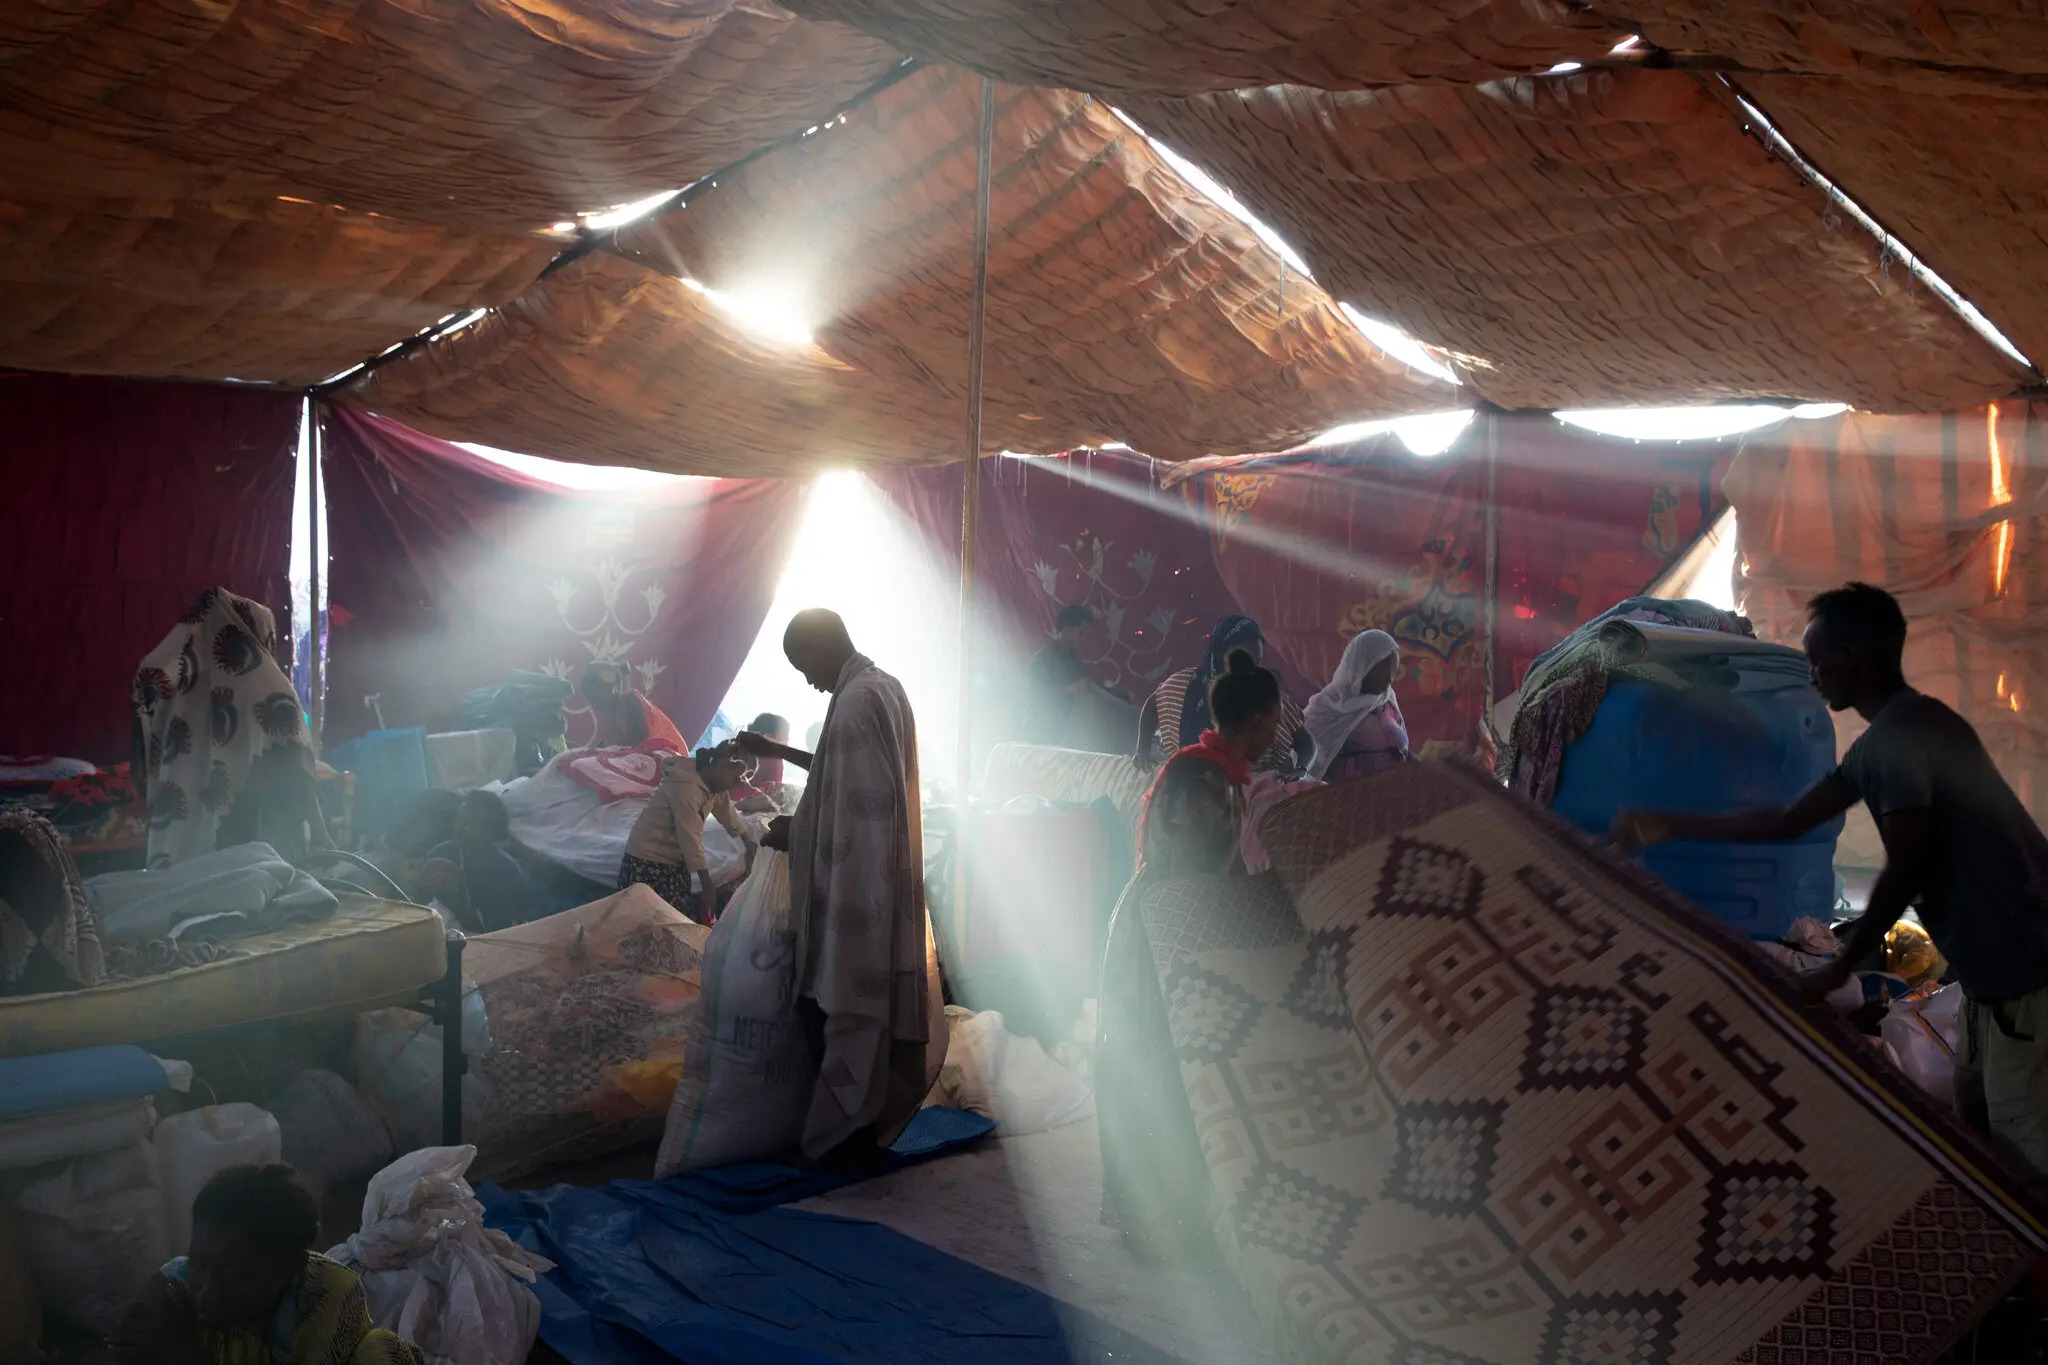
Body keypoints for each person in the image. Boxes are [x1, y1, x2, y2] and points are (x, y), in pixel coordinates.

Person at [1613, 582, 2048, 1175]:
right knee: (1974, 1128)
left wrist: (1839, 969)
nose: (1813, 676)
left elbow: (1909, 865)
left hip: (2026, 977)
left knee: (2023, 1154)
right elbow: (1791, 821)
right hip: (1988, 982)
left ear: (1853, 658)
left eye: (1818, 661)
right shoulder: (1888, 740)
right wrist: (1669, 824)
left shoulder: (1904, 737)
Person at [1099, 649, 1311, 1258]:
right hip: (1166, 935)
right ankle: (1158, 1224)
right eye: (1277, 721)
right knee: (1162, 1073)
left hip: (1172, 926)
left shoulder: (1217, 773)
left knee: (1175, 1075)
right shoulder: (1204, 780)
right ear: (1262, 719)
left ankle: (1169, 1219)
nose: (1280, 733)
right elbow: (1195, 879)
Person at [737, 609, 945, 1165]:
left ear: (822, 647)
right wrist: (779, 752)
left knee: (840, 1006)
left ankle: (843, 1138)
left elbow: (858, 812)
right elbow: (841, 772)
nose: (808, 680)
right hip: (880, 882)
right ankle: (861, 1129)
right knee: (861, 1009)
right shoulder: (883, 687)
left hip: (856, 889)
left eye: (804, 666)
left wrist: (794, 830)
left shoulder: (854, 701)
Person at [110, 1163, 422, 1365]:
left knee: (383, 1353)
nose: (207, 1291)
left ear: (291, 1267)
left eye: (237, 1276)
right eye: (199, 1263)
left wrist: (191, 1358)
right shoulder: (171, 1285)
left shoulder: (330, 1294)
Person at [133, 588, 328, 868]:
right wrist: (322, 834)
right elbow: (297, 768)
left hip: (188, 849)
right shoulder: (271, 687)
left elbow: (147, 764)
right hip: (259, 840)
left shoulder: (180, 689)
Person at [1136, 613, 1311, 774]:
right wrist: (1142, 750)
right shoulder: (1184, 685)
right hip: (1193, 786)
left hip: (1253, 791)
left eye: (1256, 662)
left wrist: (1301, 769)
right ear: (1219, 655)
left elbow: (1306, 743)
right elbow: (1153, 706)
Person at [618, 742, 756, 924]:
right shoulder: (686, 786)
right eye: (738, 778)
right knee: (650, 920)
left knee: (674, 918)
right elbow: (690, 836)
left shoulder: (713, 784)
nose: (738, 785)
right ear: (721, 762)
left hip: (674, 860)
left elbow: (727, 813)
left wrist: (747, 839)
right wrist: (707, 885)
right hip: (648, 859)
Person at [416, 791, 535, 933]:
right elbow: (418, 904)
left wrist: (452, 899)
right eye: (459, 820)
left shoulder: (505, 872)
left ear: (491, 833)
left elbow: (490, 930)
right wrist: (421, 886)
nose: (459, 829)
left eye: (470, 826)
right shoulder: (441, 852)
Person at [1303, 628, 1411, 780]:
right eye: (1381, 671)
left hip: (1394, 786)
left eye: (1392, 671)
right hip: (1349, 792)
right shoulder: (1328, 708)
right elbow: (1308, 765)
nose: (1388, 679)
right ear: (1361, 667)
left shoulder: (1386, 698)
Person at [1024, 604, 1097, 744]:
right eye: (1081, 632)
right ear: (1066, 627)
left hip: (1068, 734)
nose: (1083, 639)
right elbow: (1036, 697)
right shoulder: (1042, 660)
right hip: (1043, 736)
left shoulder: (1075, 660)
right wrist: (1071, 689)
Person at [580, 662, 686, 752]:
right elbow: (610, 743)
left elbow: (640, 739)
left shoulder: (631, 701)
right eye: (590, 699)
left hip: (669, 760)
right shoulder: (613, 713)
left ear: (609, 689)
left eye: (594, 697)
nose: (594, 703)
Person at [731, 712, 797, 813]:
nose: (787, 740)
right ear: (769, 736)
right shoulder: (775, 761)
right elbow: (772, 797)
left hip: (725, 803)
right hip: (747, 810)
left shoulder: (738, 750)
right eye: (785, 735)